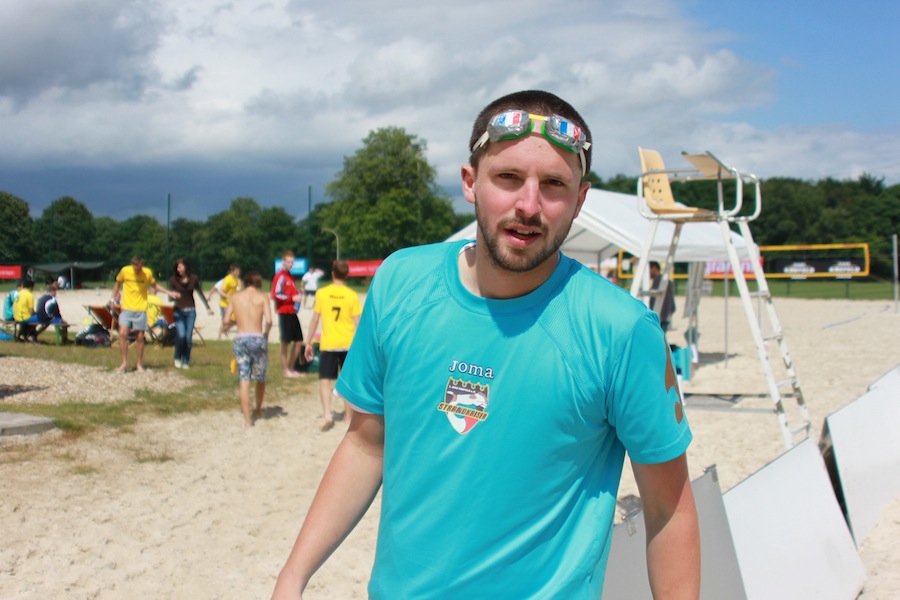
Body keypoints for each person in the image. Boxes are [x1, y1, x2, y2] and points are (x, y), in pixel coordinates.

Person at [272, 90, 700, 599]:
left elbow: (668, 509)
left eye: (554, 185)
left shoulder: (622, 330)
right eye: (509, 177)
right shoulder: (400, 282)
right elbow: (366, 444)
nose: (529, 205)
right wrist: (293, 576)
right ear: (471, 182)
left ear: (580, 200)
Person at [303, 261, 363, 431]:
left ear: (332, 273)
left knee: (325, 381)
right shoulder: (352, 295)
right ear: (346, 275)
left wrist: (308, 342)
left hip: (329, 343)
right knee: (347, 382)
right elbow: (358, 323)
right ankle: (347, 417)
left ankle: (327, 415)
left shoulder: (322, 293)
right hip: (347, 343)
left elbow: (315, 319)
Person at [112, 256, 179, 373]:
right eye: (136, 268)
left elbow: (155, 285)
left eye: (140, 268)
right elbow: (117, 284)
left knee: (140, 337)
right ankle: (124, 363)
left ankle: (139, 364)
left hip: (141, 308)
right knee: (123, 333)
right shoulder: (125, 271)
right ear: (132, 265)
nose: (138, 270)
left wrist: (168, 292)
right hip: (127, 307)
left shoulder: (146, 273)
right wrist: (113, 299)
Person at [224, 271, 273, 428]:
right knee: (261, 377)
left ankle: (247, 420)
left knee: (244, 379)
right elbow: (269, 320)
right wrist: (266, 334)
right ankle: (258, 409)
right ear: (258, 283)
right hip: (257, 338)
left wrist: (235, 323)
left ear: (246, 282)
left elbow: (226, 320)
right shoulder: (263, 297)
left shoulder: (235, 297)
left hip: (241, 339)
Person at [169, 258, 214, 369]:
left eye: (180, 266)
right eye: (177, 267)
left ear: (186, 267)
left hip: (191, 312)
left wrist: (208, 308)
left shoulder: (194, 279)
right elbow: (170, 298)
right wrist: (173, 295)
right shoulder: (173, 280)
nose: (179, 269)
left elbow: (200, 293)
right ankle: (177, 357)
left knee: (188, 338)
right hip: (178, 311)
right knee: (181, 336)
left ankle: (186, 360)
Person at [271, 251, 305, 378]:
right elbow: (275, 294)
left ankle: (291, 368)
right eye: (289, 262)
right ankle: (286, 370)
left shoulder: (291, 276)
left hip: (292, 312)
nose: (291, 264)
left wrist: (298, 292)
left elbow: (290, 292)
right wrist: (292, 298)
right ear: (283, 262)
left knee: (299, 341)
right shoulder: (280, 276)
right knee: (285, 342)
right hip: (284, 312)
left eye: (292, 262)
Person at [207, 264, 242, 339]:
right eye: (237, 271)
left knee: (236, 320)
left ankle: (225, 330)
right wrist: (228, 296)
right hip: (224, 304)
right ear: (232, 271)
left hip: (232, 304)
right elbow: (221, 291)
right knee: (225, 321)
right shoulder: (227, 279)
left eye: (239, 271)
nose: (238, 272)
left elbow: (238, 290)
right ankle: (219, 337)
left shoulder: (237, 279)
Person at [649, 260, 676, 332]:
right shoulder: (666, 281)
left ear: (654, 268)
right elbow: (672, 305)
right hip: (664, 318)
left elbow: (654, 301)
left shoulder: (659, 281)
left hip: (660, 318)